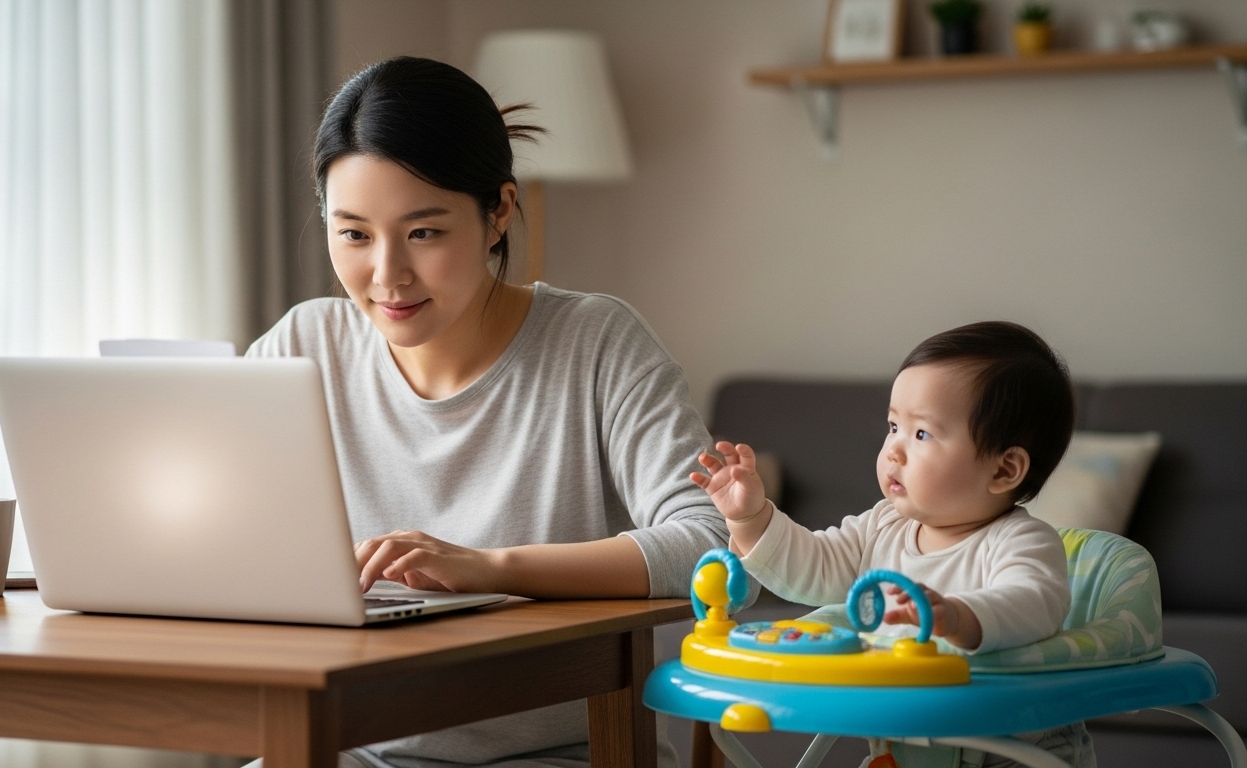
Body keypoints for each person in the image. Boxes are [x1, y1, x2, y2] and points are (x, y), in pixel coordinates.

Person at [243, 56, 725, 768]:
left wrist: (491, 568)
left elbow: (714, 547)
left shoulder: (596, 341)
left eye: (423, 233)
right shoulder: (302, 346)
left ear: (498, 211)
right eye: (354, 234)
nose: (387, 275)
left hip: (563, 756)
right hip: (350, 749)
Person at [693, 321, 1094, 768]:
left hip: (1011, 749)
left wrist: (958, 615)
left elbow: (1033, 603)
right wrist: (750, 518)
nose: (893, 451)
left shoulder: (1022, 541)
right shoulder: (883, 526)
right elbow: (813, 567)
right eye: (893, 426)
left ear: (1003, 470)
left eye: (921, 434)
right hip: (905, 747)